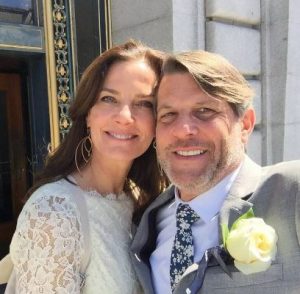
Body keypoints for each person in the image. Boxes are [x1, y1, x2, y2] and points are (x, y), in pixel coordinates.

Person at [131, 50, 300, 294]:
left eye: (204, 111)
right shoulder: (144, 224)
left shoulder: (291, 193)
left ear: (245, 124)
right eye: (168, 115)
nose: (183, 130)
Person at [7, 40, 168, 294]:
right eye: (108, 98)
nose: (125, 116)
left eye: (144, 103)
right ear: (88, 114)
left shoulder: (141, 199)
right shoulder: (55, 212)